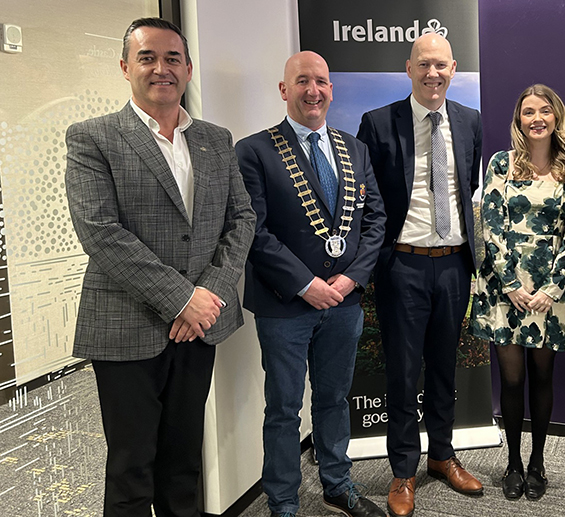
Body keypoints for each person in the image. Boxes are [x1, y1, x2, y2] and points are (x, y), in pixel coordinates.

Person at [64, 17, 256, 517]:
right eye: (147, 57)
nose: (161, 68)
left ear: (188, 69)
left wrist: (207, 295)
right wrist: (182, 299)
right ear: (125, 66)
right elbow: (100, 232)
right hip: (126, 328)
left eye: (173, 58)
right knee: (131, 471)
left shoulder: (215, 139)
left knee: (183, 464)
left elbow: (241, 219)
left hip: (200, 327)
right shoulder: (93, 138)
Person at [235, 51, 386, 517]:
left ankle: (337, 484)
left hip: (343, 302)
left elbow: (375, 221)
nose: (312, 90)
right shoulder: (254, 151)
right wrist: (306, 284)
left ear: (331, 90)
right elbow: (254, 231)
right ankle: (283, 501)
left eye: (320, 81)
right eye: (302, 81)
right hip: (285, 305)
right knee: (283, 408)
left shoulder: (355, 149)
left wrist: (350, 278)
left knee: (334, 399)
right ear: (285, 89)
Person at [357, 33, 484, 517]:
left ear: (453, 69)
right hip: (402, 264)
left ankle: (442, 456)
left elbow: (467, 188)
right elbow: (368, 200)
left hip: (453, 263)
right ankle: (403, 470)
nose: (433, 74)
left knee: (444, 366)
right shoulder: (377, 122)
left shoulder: (470, 121)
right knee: (404, 370)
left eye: (441, 65)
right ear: (408, 68)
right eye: (424, 65)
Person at [471, 84, 565, 501]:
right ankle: (513, 463)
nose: (536, 118)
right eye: (528, 112)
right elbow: (490, 225)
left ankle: (538, 462)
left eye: (544, 111)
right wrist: (510, 284)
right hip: (505, 291)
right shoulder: (501, 164)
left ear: (556, 116)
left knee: (542, 377)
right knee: (511, 379)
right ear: (519, 120)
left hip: (549, 293)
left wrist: (551, 289)